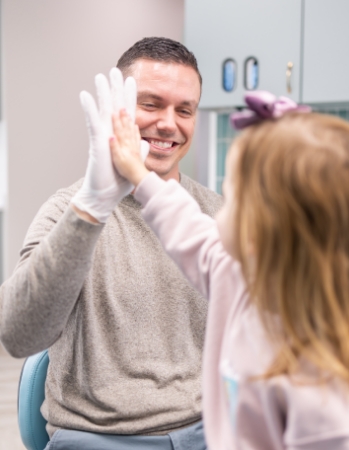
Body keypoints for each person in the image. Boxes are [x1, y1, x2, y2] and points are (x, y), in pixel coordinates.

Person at [0, 37, 222, 449]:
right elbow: (18, 333)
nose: (169, 124)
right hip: (100, 436)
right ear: (116, 112)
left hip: (208, 431)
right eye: (152, 104)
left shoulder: (218, 214)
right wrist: (91, 208)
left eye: (184, 110)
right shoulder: (69, 209)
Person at [110, 90, 349, 449]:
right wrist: (138, 174)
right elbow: (189, 228)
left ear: (260, 229)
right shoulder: (237, 276)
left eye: (230, 196)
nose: (216, 210)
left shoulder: (321, 393)